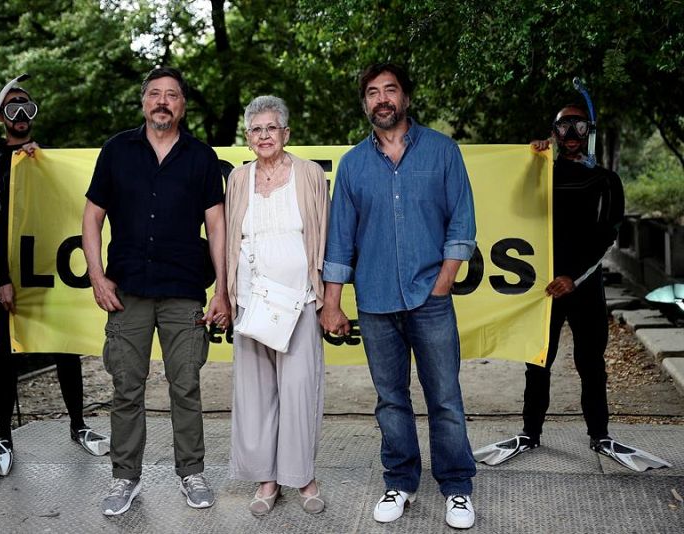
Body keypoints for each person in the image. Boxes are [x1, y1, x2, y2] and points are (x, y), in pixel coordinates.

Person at [320, 62, 477, 528]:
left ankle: (457, 488)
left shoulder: (442, 151)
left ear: (405, 98)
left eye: (390, 90)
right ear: (365, 102)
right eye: (372, 92)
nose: (382, 98)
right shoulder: (352, 165)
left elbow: (462, 222)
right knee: (390, 399)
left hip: (430, 299)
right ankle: (401, 482)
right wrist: (332, 303)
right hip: (374, 302)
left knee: (445, 397)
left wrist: (445, 279)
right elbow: (340, 241)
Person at [472, 106, 667, 473]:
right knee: (537, 360)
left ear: (588, 130)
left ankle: (600, 433)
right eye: (564, 126)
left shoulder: (605, 181)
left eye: (579, 125)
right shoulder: (544, 174)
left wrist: (574, 277)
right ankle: (531, 432)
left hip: (583, 284)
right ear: (555, 132)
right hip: (543, 288)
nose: (572, 132)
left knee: (591, 363)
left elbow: (606, 236)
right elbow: (515, 208)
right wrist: (530, 164)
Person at [82, 67, 230, 516]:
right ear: (143, 102)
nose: (162, 101)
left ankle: (192, 473)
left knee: (185, 385)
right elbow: (91, 218)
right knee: (127, 386)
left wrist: (223, 289)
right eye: (154, 94)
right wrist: (96, 275)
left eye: (171, 95)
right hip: (127, 290)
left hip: (185, 289)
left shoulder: (201, 157)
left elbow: (217, 226)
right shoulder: (116, 151)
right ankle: (124, 478)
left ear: (182, 105)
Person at [0, 84, 109, 480]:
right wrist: (3, 278)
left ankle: (78, 424)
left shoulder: (51, 160)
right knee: (6, 352)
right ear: (0, 117)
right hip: (12, 275)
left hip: (55, 271)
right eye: (12, 108)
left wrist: (40, 162)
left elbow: (75, 204)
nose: (20, 114)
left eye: (27, 107)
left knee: (65, 348)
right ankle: (2, 437)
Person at [225, 96, 329, 516]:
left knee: (299, 391)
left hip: (299, 302)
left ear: (286, 133)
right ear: (247, 138)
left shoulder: (309, 174)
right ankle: (267, 479)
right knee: (255, 394)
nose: (264, 136)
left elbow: (325, 233)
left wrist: (328, 298)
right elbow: (231, 239)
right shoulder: (237, 179)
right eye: (256, 130)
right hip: (251, 305)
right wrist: (225, 294)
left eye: (272, 128)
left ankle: (302, 476)